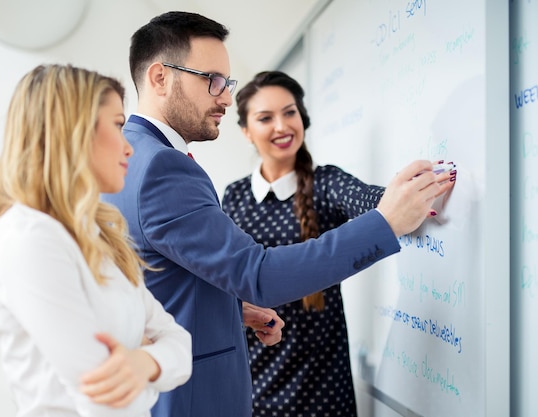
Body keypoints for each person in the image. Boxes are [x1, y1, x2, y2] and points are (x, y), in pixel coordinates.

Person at [100, 11, 455, 417]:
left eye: (227, 83)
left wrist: (229, 310)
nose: (225, 97)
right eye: (212, 80)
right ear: (160, 77)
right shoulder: (163, 167)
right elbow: (259, 275)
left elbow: (159, 280)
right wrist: (388, 223)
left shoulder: (128, 156)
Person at [222, 70, 458, 416]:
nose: (282, 126)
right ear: (246, 130)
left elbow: (369, 201)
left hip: (320, 381)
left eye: (290, 112)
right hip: (251, 376)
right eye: (265, 118)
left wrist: (401, 196)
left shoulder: (327, 182)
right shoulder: (235, 195)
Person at [0, 64, 192, 417]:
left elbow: (181, 346)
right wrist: (151, 360)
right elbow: (106, 400)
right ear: (72, 132)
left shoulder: (100, 237)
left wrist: (141, 363)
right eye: (118, 126)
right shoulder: (28, 238)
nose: (129, 149)